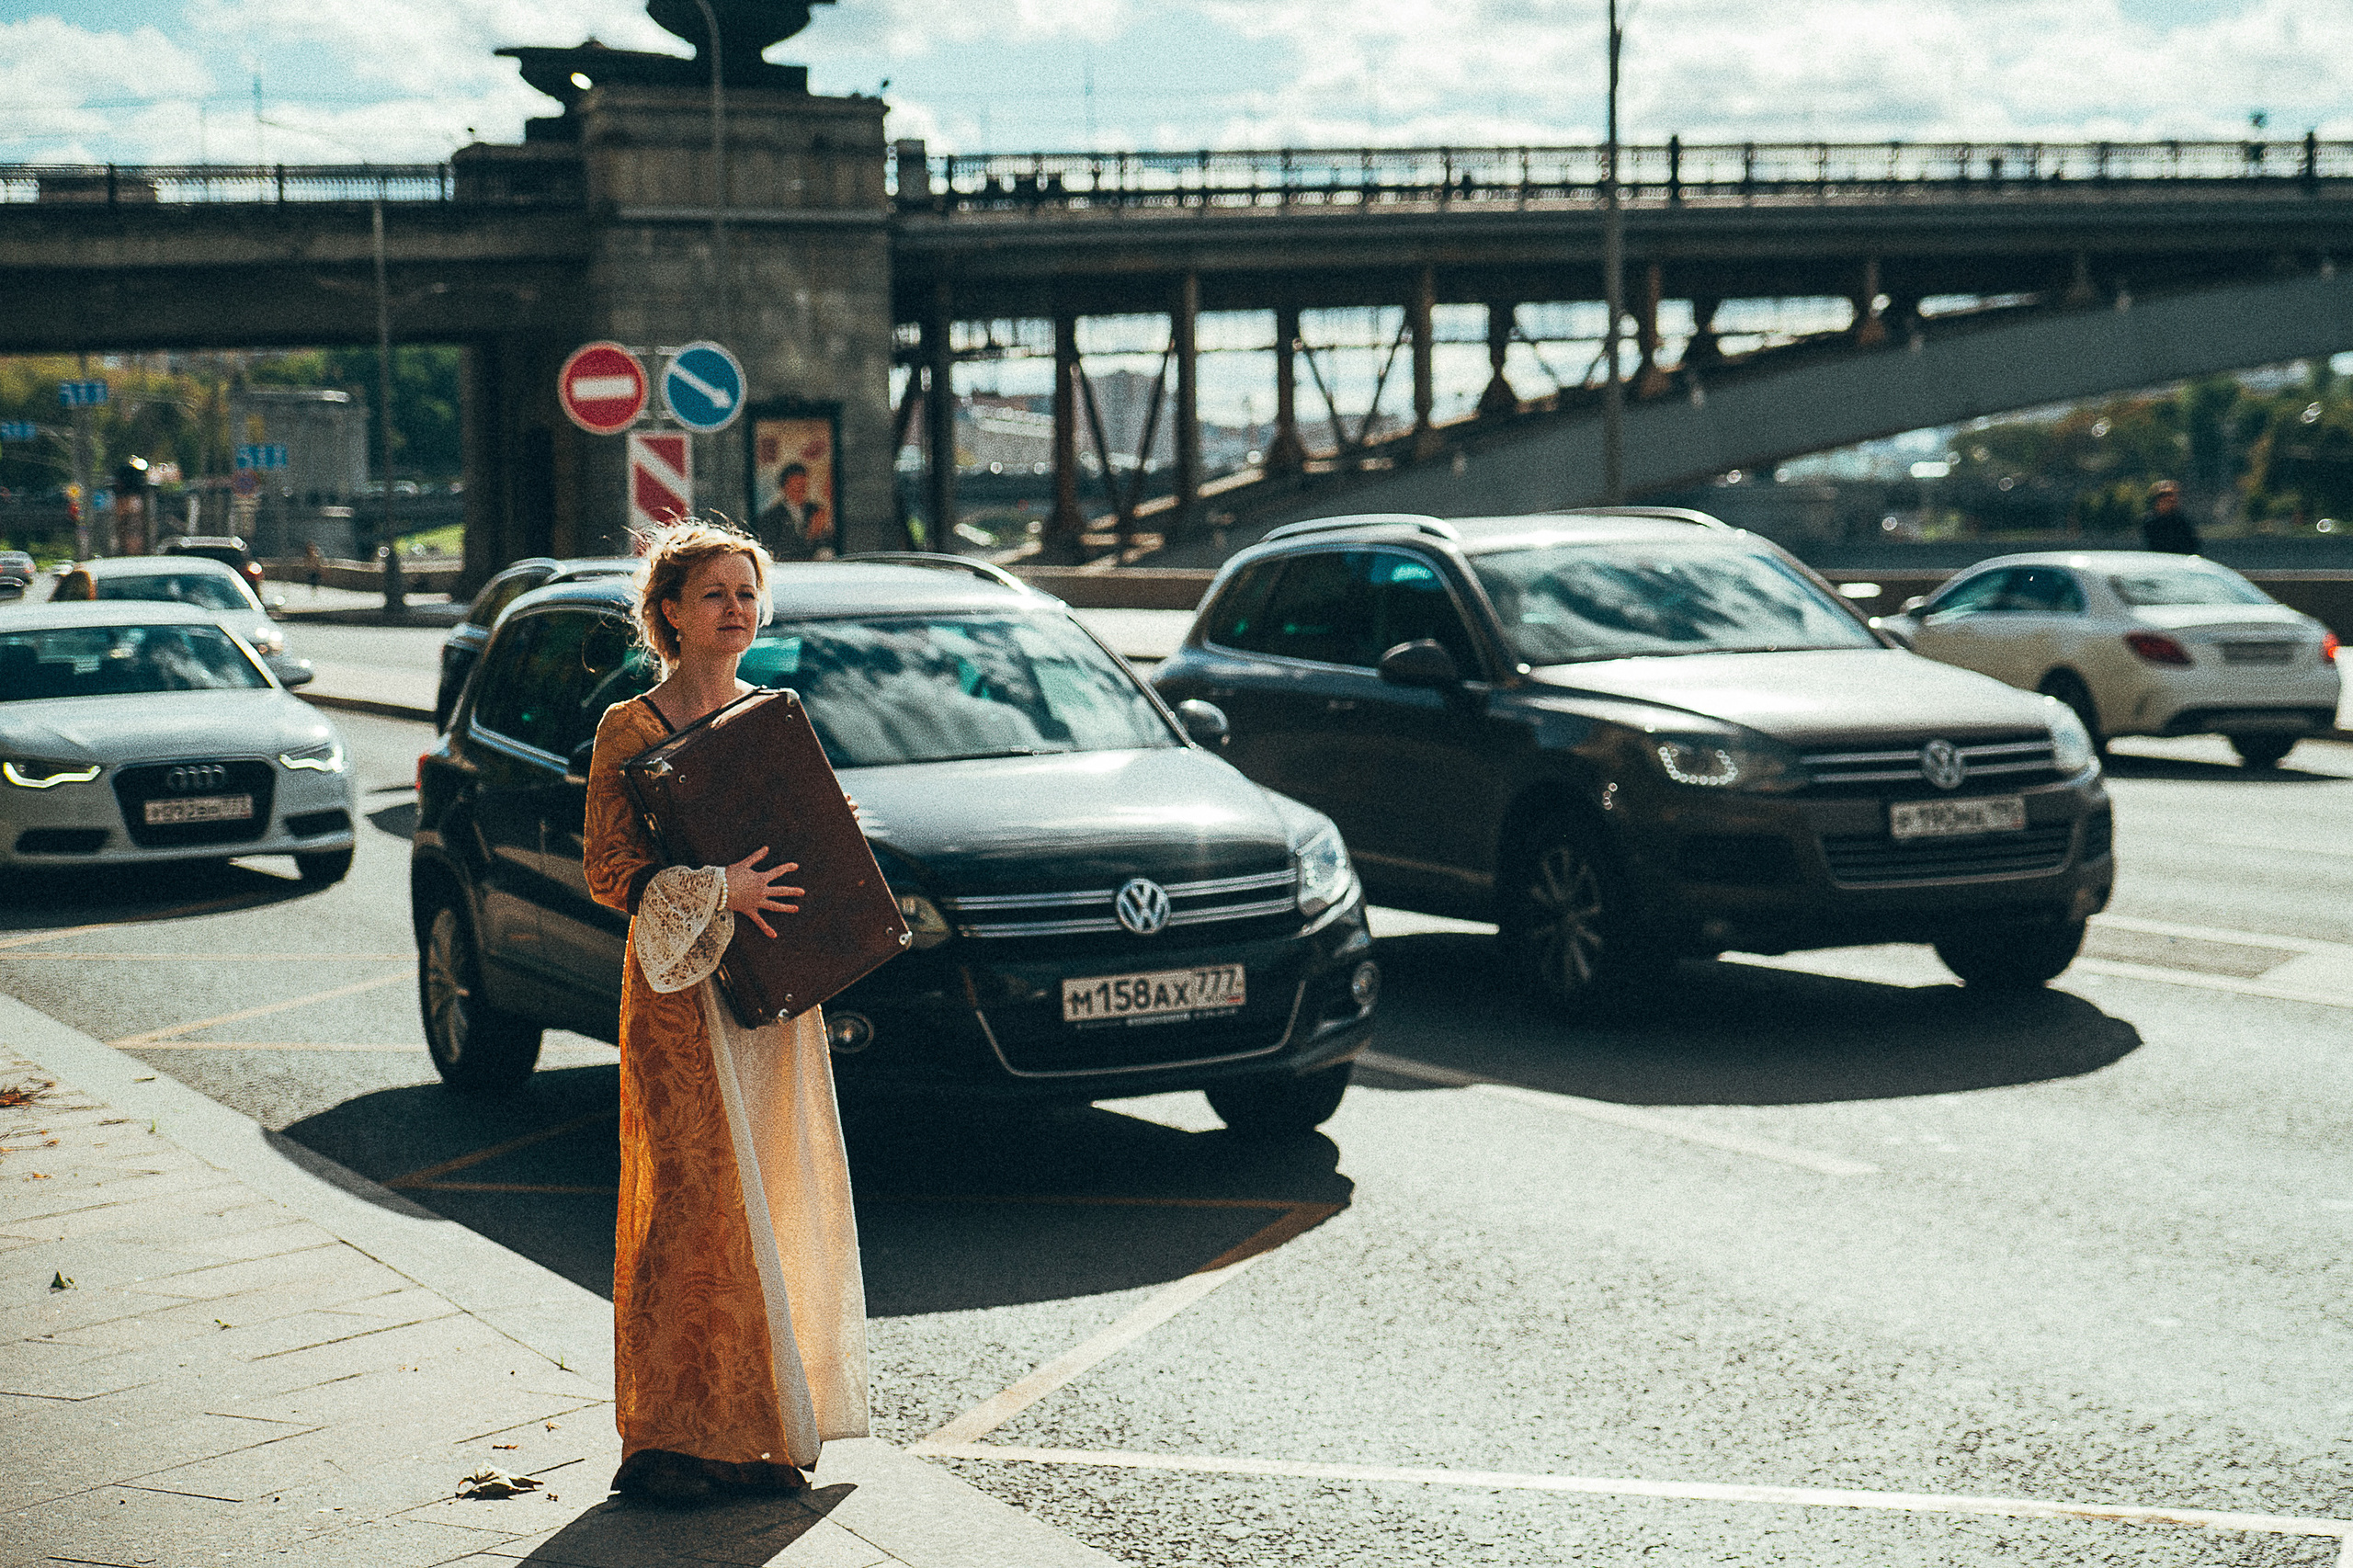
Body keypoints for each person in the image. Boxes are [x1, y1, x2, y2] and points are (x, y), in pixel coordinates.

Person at [582, 519, 869, 1506]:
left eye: (747, 591)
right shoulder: (629, 725)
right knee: (692, 1210)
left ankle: (758, 1428)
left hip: (774, 995)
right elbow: (608, 871)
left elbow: (793, 844)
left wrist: (828, 837)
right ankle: (666, 1440)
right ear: (668, 612)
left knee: (772, 1192)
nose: (737, 608)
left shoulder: (771, 715)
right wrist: (718, 890)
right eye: (715, 593)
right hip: (678, 1001)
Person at [756, 463, 833, 561]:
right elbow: (776, 550)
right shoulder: (771, 517)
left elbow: (829, 544)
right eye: (796, 485)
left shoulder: (815, 510)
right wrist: (810, 535)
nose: (801, 490)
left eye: (803, 485)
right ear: (784, 487)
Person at [2141, 479, 2200, 554]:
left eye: (2172, 501)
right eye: (2165, 500)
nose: (2169, 503)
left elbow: (2191, 546)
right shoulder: (2150, 521)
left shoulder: (2182, 522)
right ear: (2157, 502)